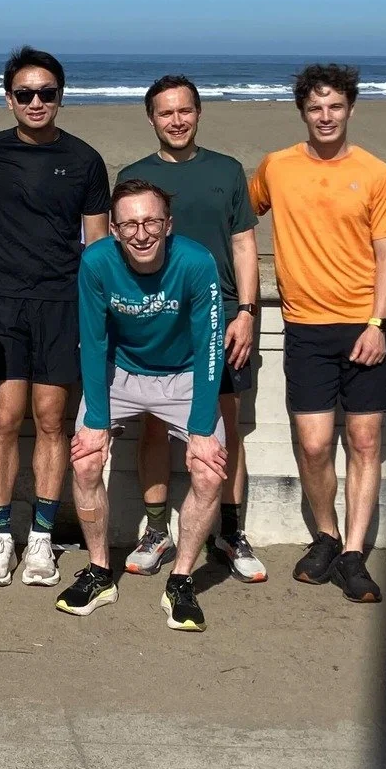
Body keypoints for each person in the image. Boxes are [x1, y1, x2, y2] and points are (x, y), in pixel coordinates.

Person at [250, 64, 386, 603]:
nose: (325, 116)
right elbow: (234, 215)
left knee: (364, 442)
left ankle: (355, 555)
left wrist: (378, 324)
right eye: (315, 107)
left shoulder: (376, 173)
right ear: (302, 111)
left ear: (350, 109)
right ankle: (326, 535)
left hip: (365, 326)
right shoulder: (277, 167)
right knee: (315, 445)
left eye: (335, 106)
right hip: (306, 327)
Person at [117, 74, 266, 584]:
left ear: (198, 114)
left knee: (226, 424)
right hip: (154, 317)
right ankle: (157, 530)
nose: (176, 120)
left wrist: (246, 311)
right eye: (165, 112)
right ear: (151, 118)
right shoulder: (135, 177)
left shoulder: (227, 171)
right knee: (154, 425)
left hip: (220, 316)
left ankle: (230, 531)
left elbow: (245, 244)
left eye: (185, 111)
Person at [0, 47, 110, 590]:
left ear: (60, 96)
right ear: (9, 98)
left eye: (46, 93)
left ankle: (42, 539)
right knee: (4, 420)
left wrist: (100, 314)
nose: (35, 102)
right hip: (0, 301)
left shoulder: (84, 160)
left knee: (52, 421)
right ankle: (1, 537)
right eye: (24, 94)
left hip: (61, 304)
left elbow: (97, 244)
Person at [65, 180, 228, 632]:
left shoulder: (195, 261)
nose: (141, 233)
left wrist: (200, 429)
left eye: (151, 221)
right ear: (114, 229)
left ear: (168, 224)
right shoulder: (97, 262)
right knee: (84, 461)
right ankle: (99, 572)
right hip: (121, 373)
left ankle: (181, 580)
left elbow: (211, 344)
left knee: (209, 469)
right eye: (130, 224)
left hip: (185, 374)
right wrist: (95, 420)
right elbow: (93, 342)